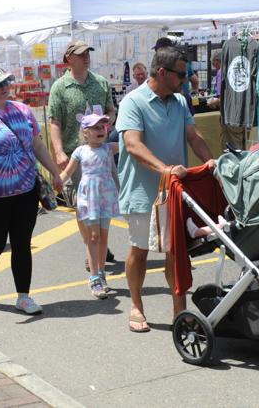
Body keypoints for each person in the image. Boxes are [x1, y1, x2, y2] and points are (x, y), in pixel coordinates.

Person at [116, 46, 215, 332]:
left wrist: (210, 162)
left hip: (174, 190)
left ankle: (179, 311)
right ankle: (136, 305)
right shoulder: (133, 102)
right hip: (142, 192)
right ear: (162, 72)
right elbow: (133, 145)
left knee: (176, 252)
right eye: (181, 74)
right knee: (140, 250)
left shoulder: (180, 101)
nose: (186, 79)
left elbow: (193, 136)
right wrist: (165, 169)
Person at [0, 69, 63, 314]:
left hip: (25, 191)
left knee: (22, 244)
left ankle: (24, 296)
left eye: (6, 82)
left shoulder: (23, 110)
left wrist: (55, 172)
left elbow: (37, 144)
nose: (4, 88)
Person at [49, 40, 117, 268]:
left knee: (101, 203)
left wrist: (107, 123)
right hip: (74, 154)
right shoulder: (60, 87)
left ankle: (97, 242)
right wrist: (59, 151)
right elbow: (55, 122)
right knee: (81, 205)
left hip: (99, 152)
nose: (86, 57)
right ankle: (91, 243)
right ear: (69, 59)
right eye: (81, 54)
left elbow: (111, 110)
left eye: (88, 53)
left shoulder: (101, 82)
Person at [59, 107, 120, 299]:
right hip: (89, 197)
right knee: (93, 237)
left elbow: (130, 142)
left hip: (106, 196)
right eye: (95, 127)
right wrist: (55, 185)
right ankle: (94, 278)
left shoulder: (109, 148)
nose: (101, 130)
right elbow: (67, 173)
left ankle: (101, 273)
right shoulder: (80, 151)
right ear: (85, 133)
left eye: (103, 126)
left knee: (103, 237)